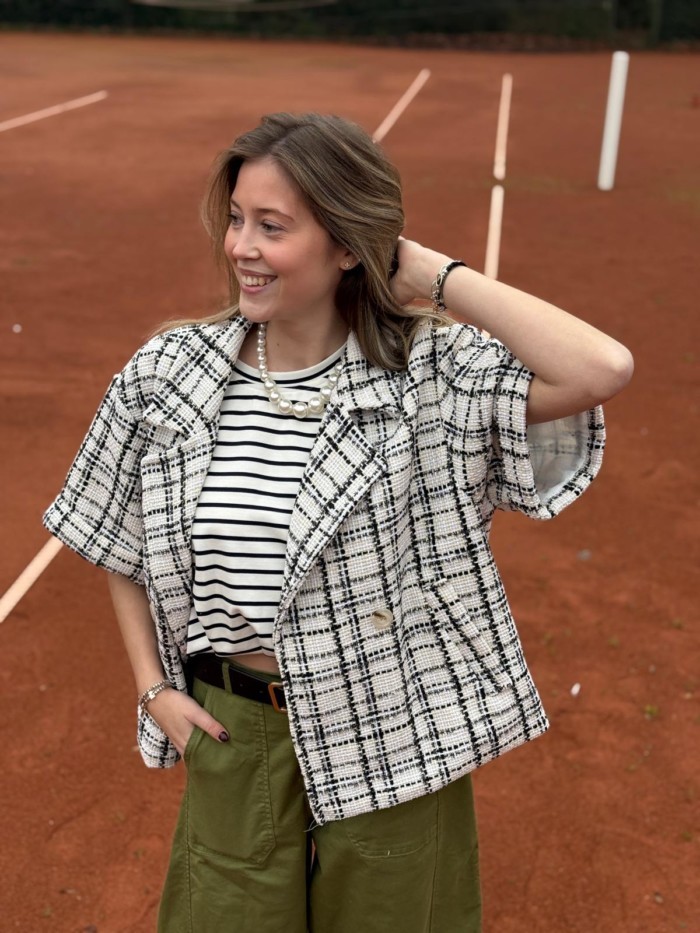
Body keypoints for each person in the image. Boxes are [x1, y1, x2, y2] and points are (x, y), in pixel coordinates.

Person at [43, 112, 633, 933]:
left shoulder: (429, 374)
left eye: (273, 226)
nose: (241, 246)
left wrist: (428, 271)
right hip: (235, 725)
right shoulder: (169, 373)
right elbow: (118, 537)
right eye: (237, 219)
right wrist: (154, 688)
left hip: (392, 720)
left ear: (348, 245)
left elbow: (602, 367)